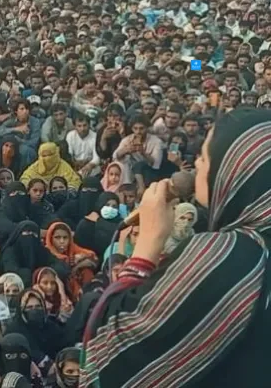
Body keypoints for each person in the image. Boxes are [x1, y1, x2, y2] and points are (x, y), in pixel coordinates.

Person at [82, 108, 271, 387]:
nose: (196, 165)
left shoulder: (228, 256)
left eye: (205, 157)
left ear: (233, 169)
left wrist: (147, 243)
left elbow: (111, 348)